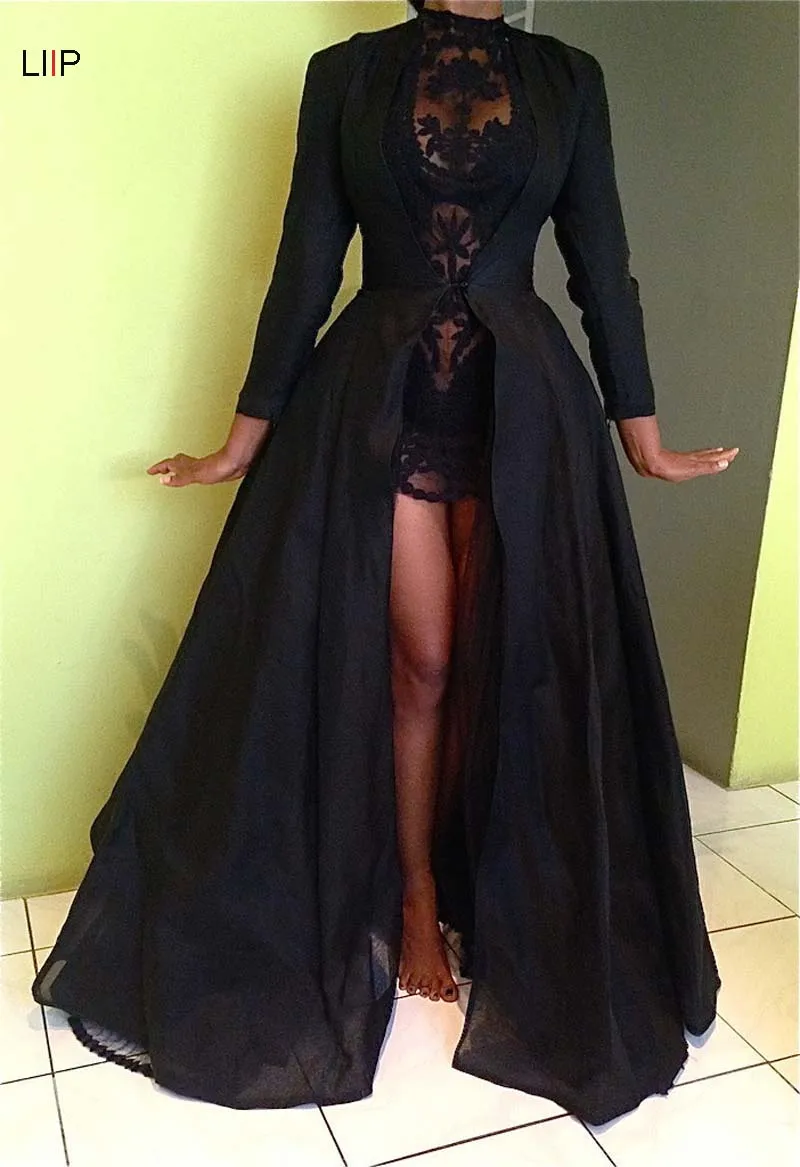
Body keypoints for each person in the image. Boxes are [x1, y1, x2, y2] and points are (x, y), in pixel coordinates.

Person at [31, 0, 734, 1125]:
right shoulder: (346, 75)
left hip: (522, 401)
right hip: (381, 396)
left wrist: (639, 432)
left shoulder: (568, 78)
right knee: (423, 661)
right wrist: (242, 439)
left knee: (510, 665)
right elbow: (306, 260)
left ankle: (492, 891)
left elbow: (601, 260)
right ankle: (412, 890)